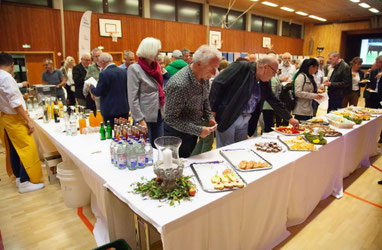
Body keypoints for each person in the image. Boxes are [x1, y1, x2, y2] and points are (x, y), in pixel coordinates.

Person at [210, 55, 299, 148]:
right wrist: (213, 109)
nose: (274, 75)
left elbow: (273, 99)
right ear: (265, 67)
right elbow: (218, 83)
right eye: (274, 72)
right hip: (229, 116)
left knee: (240, 148)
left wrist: (289, 118)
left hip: (245, 119)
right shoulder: (241, 67)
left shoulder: (264, 81)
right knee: (226, 148)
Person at [0, 52, 44, 193]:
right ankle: (25, 181)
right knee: (27, 148)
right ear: (12, 65)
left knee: (14, 148)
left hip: (6, 117)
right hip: (15, 118)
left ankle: (19, 177)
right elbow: (15, 102)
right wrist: (28, 120)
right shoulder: (6, 78)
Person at [164, 45, 220, 157]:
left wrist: (209, 117)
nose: (214, 73)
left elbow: (205, 100)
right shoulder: (180, 84)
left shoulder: (203, 77)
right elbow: (170, 119)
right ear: (199, 63)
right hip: (177, 136)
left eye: (217, 68)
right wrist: (198, 130)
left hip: (191, 131)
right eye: (212, 68)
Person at [128, 37, 164, 147]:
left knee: (158, 147)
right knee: (145, 148)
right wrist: (139, 119)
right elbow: (132, 97)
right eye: (157, 50)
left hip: (159, 114)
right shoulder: (134, 69)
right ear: (150, 50)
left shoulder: (156, 67)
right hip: (144, 117)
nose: (159, 53)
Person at [88, 53, 129, 129]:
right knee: (124, 132)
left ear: (103, 62)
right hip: (124, 108)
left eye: (99, 62)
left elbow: (98, 92)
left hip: (110, 110)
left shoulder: (104, 74)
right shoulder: (124, 72)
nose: (99, 64)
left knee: (112, 133)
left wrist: (91, 86)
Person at [262, 51, 282, 133]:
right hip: (267, 105)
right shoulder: (265, 71)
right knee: (268, 126)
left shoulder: (275, 71)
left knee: (271, 125)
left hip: (273, 103)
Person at [84, 48, 102, 113]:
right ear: (93, 58)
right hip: (96, 94)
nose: (97, 58)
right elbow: (87, 81)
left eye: (99, 56)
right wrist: (91, 93)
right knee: (99, 113)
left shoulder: (105, 66)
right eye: (95, 56)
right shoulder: (91, 68)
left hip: (106, 94)